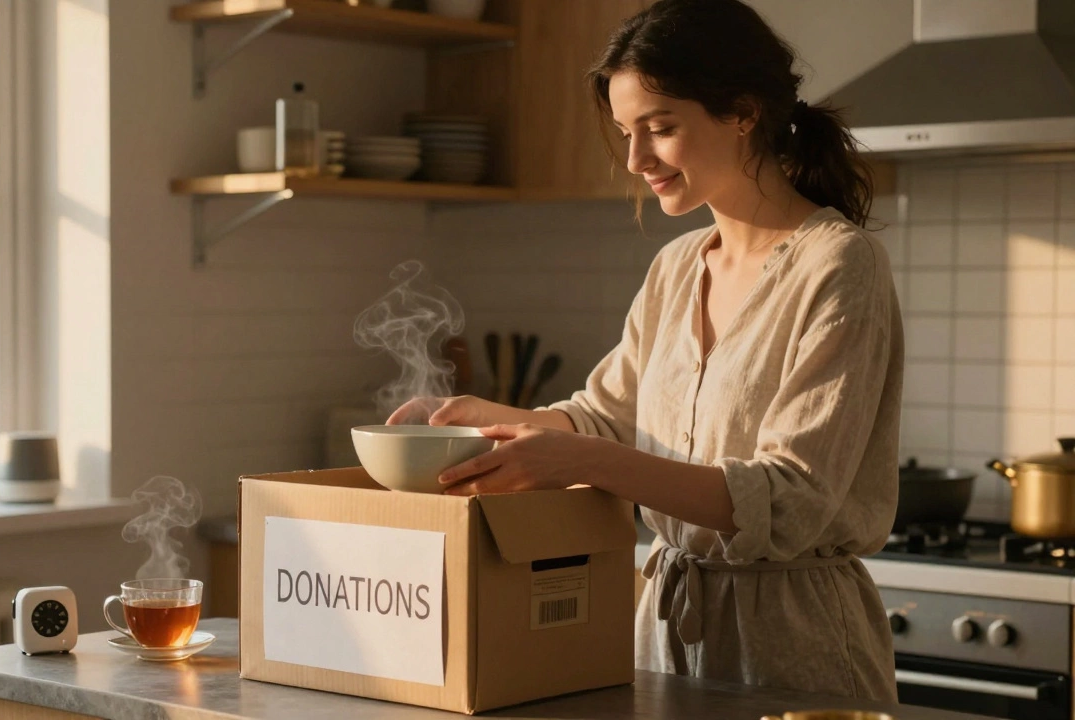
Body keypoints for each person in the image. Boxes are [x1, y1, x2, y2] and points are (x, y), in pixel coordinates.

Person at [387, 0, 903, 702]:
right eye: (628, 132)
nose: (635, 159)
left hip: (795, 646)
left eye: (660, 129)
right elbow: (607, 415)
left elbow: (792, 498)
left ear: (743, 112)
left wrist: (584, 461)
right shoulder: (678, 266)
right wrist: (493, 419)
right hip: (661, 633)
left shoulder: (841, 265)